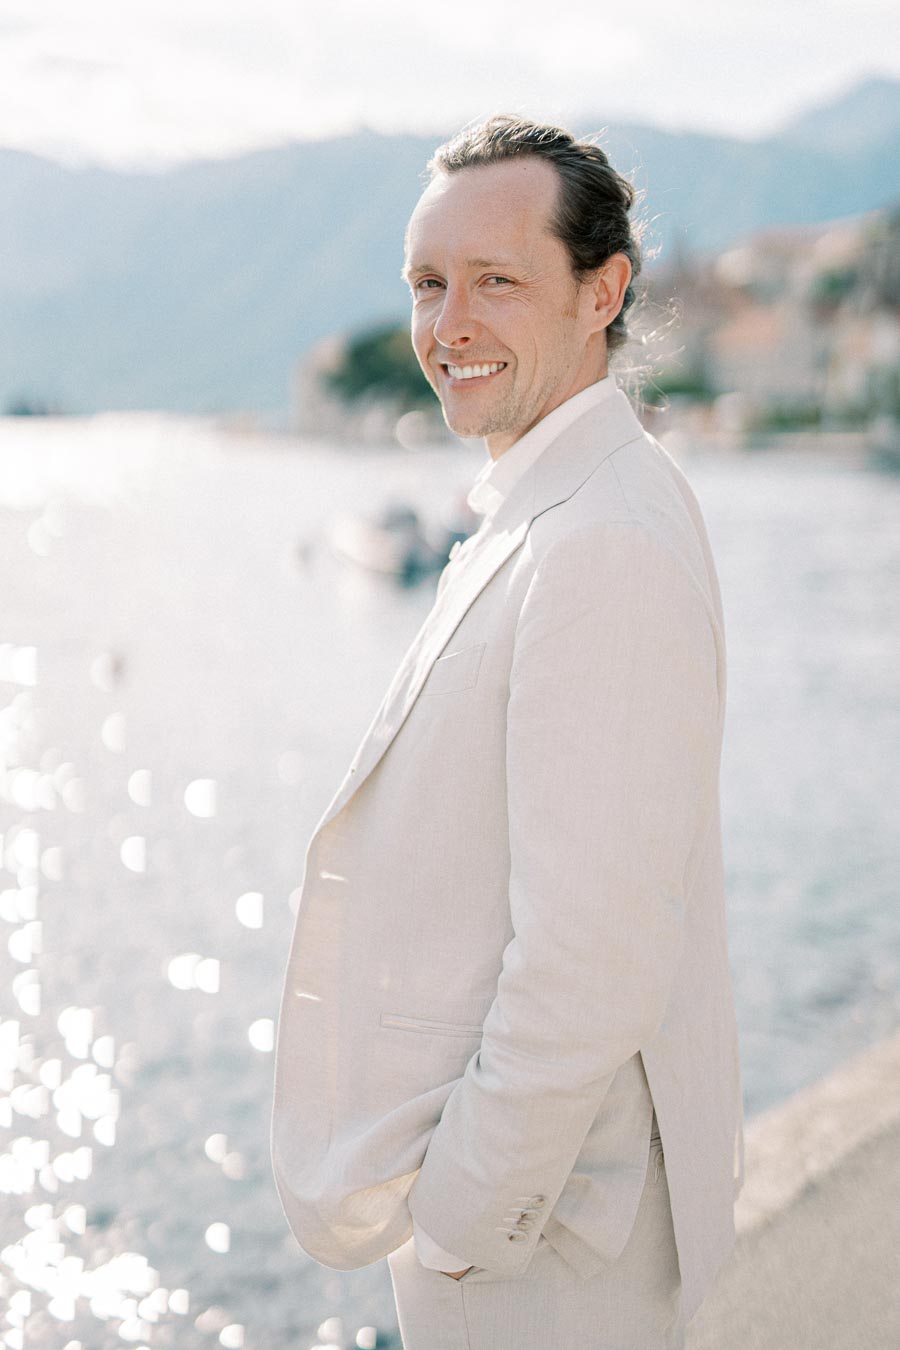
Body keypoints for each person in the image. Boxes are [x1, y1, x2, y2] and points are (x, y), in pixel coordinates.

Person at [271, 115, 745, 1349]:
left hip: (548, 1260)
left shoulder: (603, 545)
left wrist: (466, 1213)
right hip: (537, 1239)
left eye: (496, 281)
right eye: (429, 285)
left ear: (604, 293)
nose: (449, 326)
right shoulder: (563, 504)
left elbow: (595, 961)